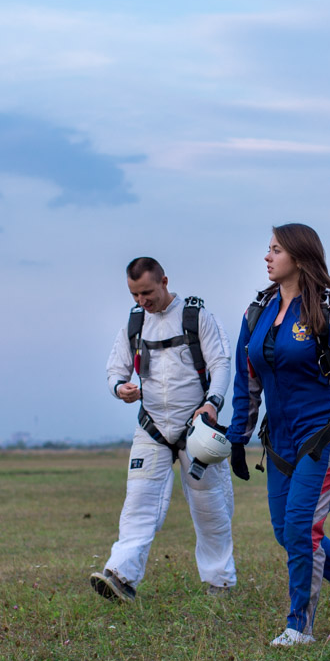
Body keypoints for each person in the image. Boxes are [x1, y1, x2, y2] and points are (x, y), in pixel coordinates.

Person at [227, 224, 330, 646]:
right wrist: (238, 437)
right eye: (268, 249)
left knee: (300, 528)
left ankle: (299, 626)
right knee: (285, 531)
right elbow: (246, 379)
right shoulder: (256, 312)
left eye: (276, 249)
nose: (267, 257)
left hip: (325, 438)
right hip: (279, 442)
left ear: (299, 256)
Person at [90, 257, 237, 602]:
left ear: (164, 282)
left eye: (147, 292)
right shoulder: (134, 324)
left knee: (210, 508)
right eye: (135, 294)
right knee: (138, 502)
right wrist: (120, 388)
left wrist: (212, 403)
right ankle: (121, 576)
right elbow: (115, 370)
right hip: (151, 427)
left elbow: (220, 363)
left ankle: (220, 583)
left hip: (196, 430)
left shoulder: (197, 317)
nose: (142, 300)